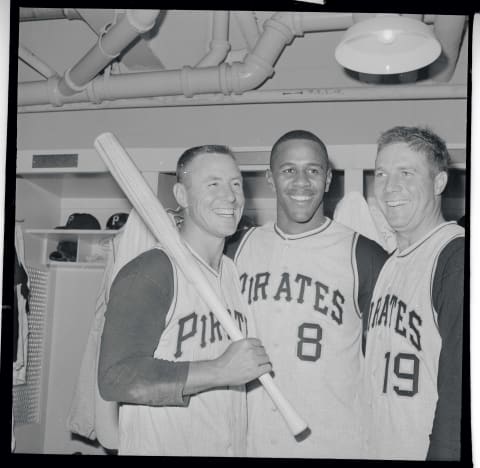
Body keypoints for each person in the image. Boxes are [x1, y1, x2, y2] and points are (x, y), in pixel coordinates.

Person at [98, 145, 272, 456]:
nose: (230, 196)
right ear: (181, 195)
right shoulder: (151, 270)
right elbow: (116, 378)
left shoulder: (233, 272)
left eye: (236, 183)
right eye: (213, 184)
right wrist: (219, 370)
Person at [226, 130, 388, 458]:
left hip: (334, 442)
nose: (301, 181)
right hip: (250, 439)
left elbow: (383, 362)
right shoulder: (236, 249)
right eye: (288, 170)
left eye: (313, 170)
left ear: (328, 179)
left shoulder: (364, 254)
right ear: (270, 179)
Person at [363, 126, 465, 461]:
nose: (390, 187)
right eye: (382, 173)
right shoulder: (391, 263)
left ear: (439, 182)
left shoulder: (455, 257)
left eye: (406, 173)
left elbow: (460, 393)